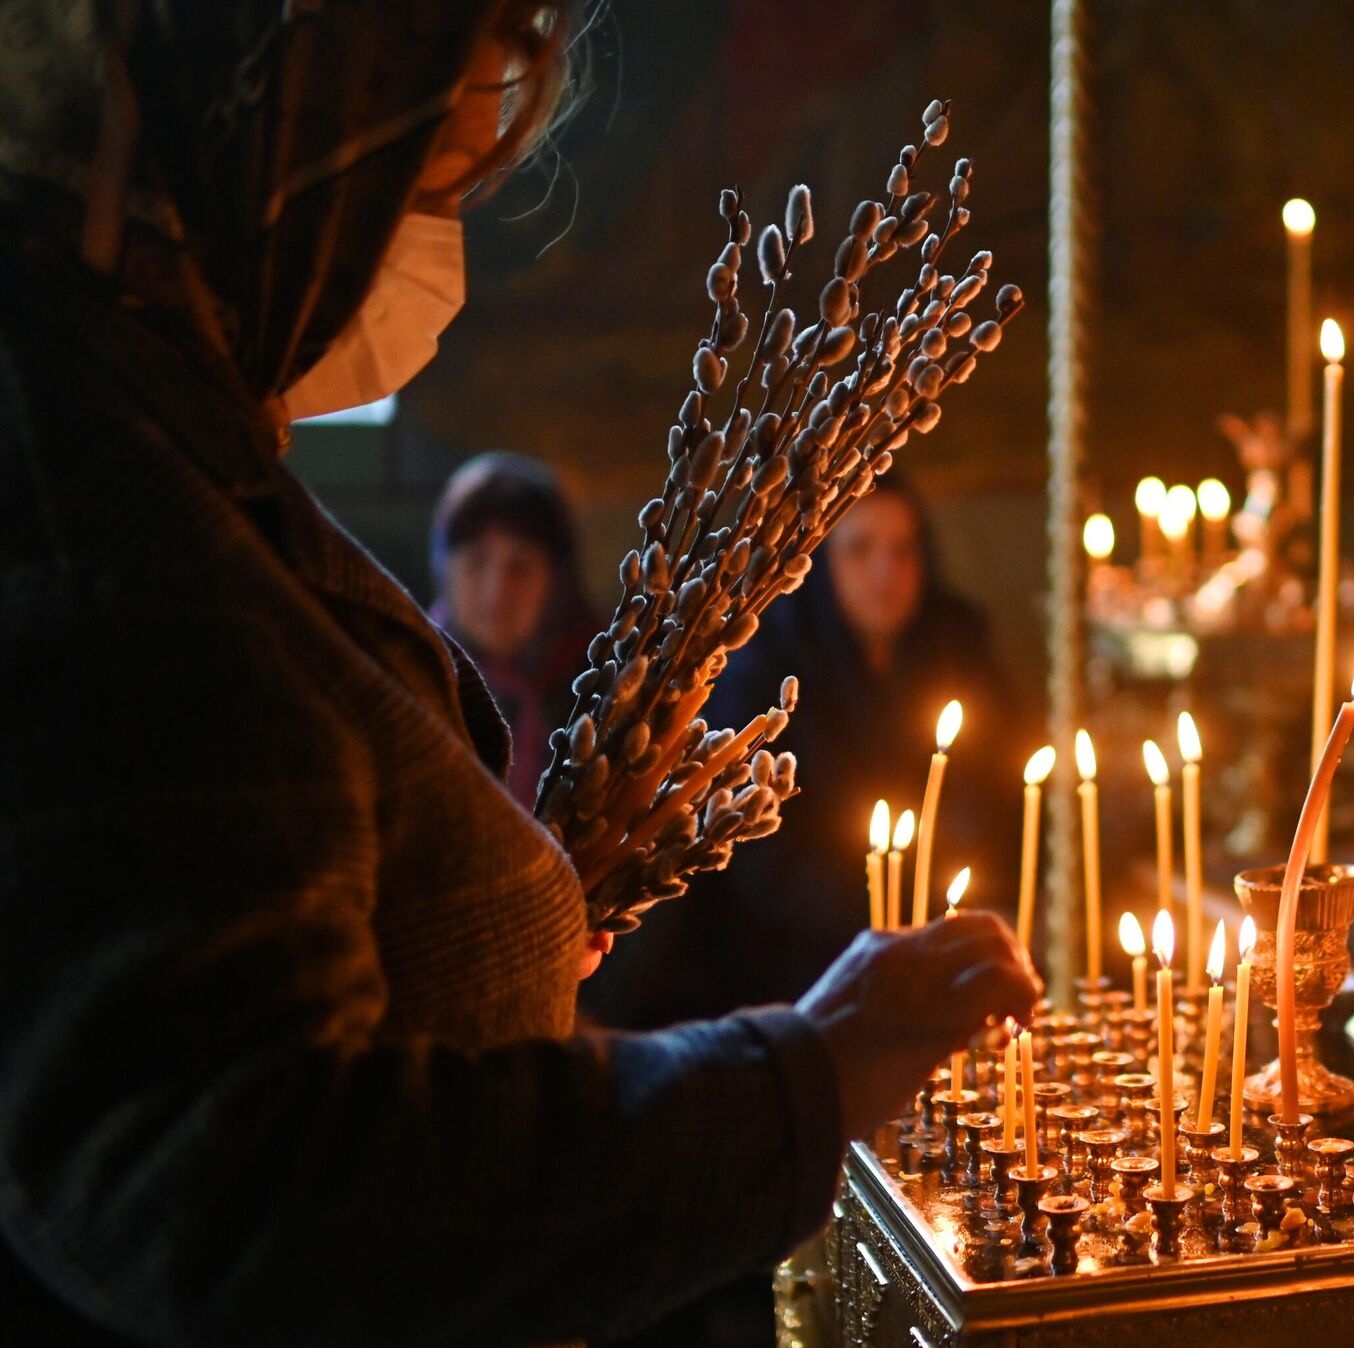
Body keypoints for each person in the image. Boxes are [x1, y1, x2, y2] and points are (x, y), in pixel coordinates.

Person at [0, 6, 1039, 1346]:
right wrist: (812, 1070)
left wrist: (505, 908)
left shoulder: (164, 414)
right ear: (281, 148)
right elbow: (251, 1193)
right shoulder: (93, 510)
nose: (435, 252)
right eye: (420, 191)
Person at [584, 475, 1027, 1031]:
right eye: (861, 550)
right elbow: (763, 859)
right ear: (821, 561)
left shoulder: (957, 643)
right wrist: (889, 922)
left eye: (904, 550)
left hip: (942, 922)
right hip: (794, 964)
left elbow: (991, 790)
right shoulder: (769, 670)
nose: (886, 572)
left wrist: (952, 908)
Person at [428, 451, 601, 807]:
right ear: (445, 569)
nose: (496, 593)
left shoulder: (607, 688)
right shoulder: (415, 680)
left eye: (520, 567)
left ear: (556, 581)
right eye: (476, 560)